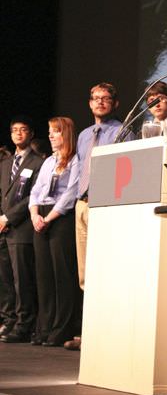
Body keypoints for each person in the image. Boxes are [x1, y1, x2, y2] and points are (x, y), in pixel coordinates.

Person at [64, 82, 127, 350]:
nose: (100, 102)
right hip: (83, 205)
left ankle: (108, 331)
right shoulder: (84, 134)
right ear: (89, 103)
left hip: (107, 205)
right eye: (95, 98)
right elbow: (78, 171)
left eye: (106, 98)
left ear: (115, 103)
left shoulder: (123, 131)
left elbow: (127, 170)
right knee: (85, 273)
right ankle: (90, 331)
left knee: (106, 270)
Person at [29, 117, 80, 346]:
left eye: (56, 132)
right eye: (49, 131)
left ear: (65, 134)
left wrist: (49, 217)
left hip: (60, 218)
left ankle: (63, 328)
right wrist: (34, 214)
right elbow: (36, 190)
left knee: (62, 275)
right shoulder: (49, 161)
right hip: (41, 217)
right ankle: (45, 326)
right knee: (44, 275)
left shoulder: (75, 159)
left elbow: (71, 192)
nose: (50, 136)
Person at [0, 116, 43, 342]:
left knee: (22, 280)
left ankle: (24, 324)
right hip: (3, 228)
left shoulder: (38, 162)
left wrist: (8, 217)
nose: (18, 134)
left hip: (21, 227)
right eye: (14, 130)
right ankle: (8, 321)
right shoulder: (5, 163)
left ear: (31, 134)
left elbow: (31, 198)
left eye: (23, 130)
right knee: (5, 279)